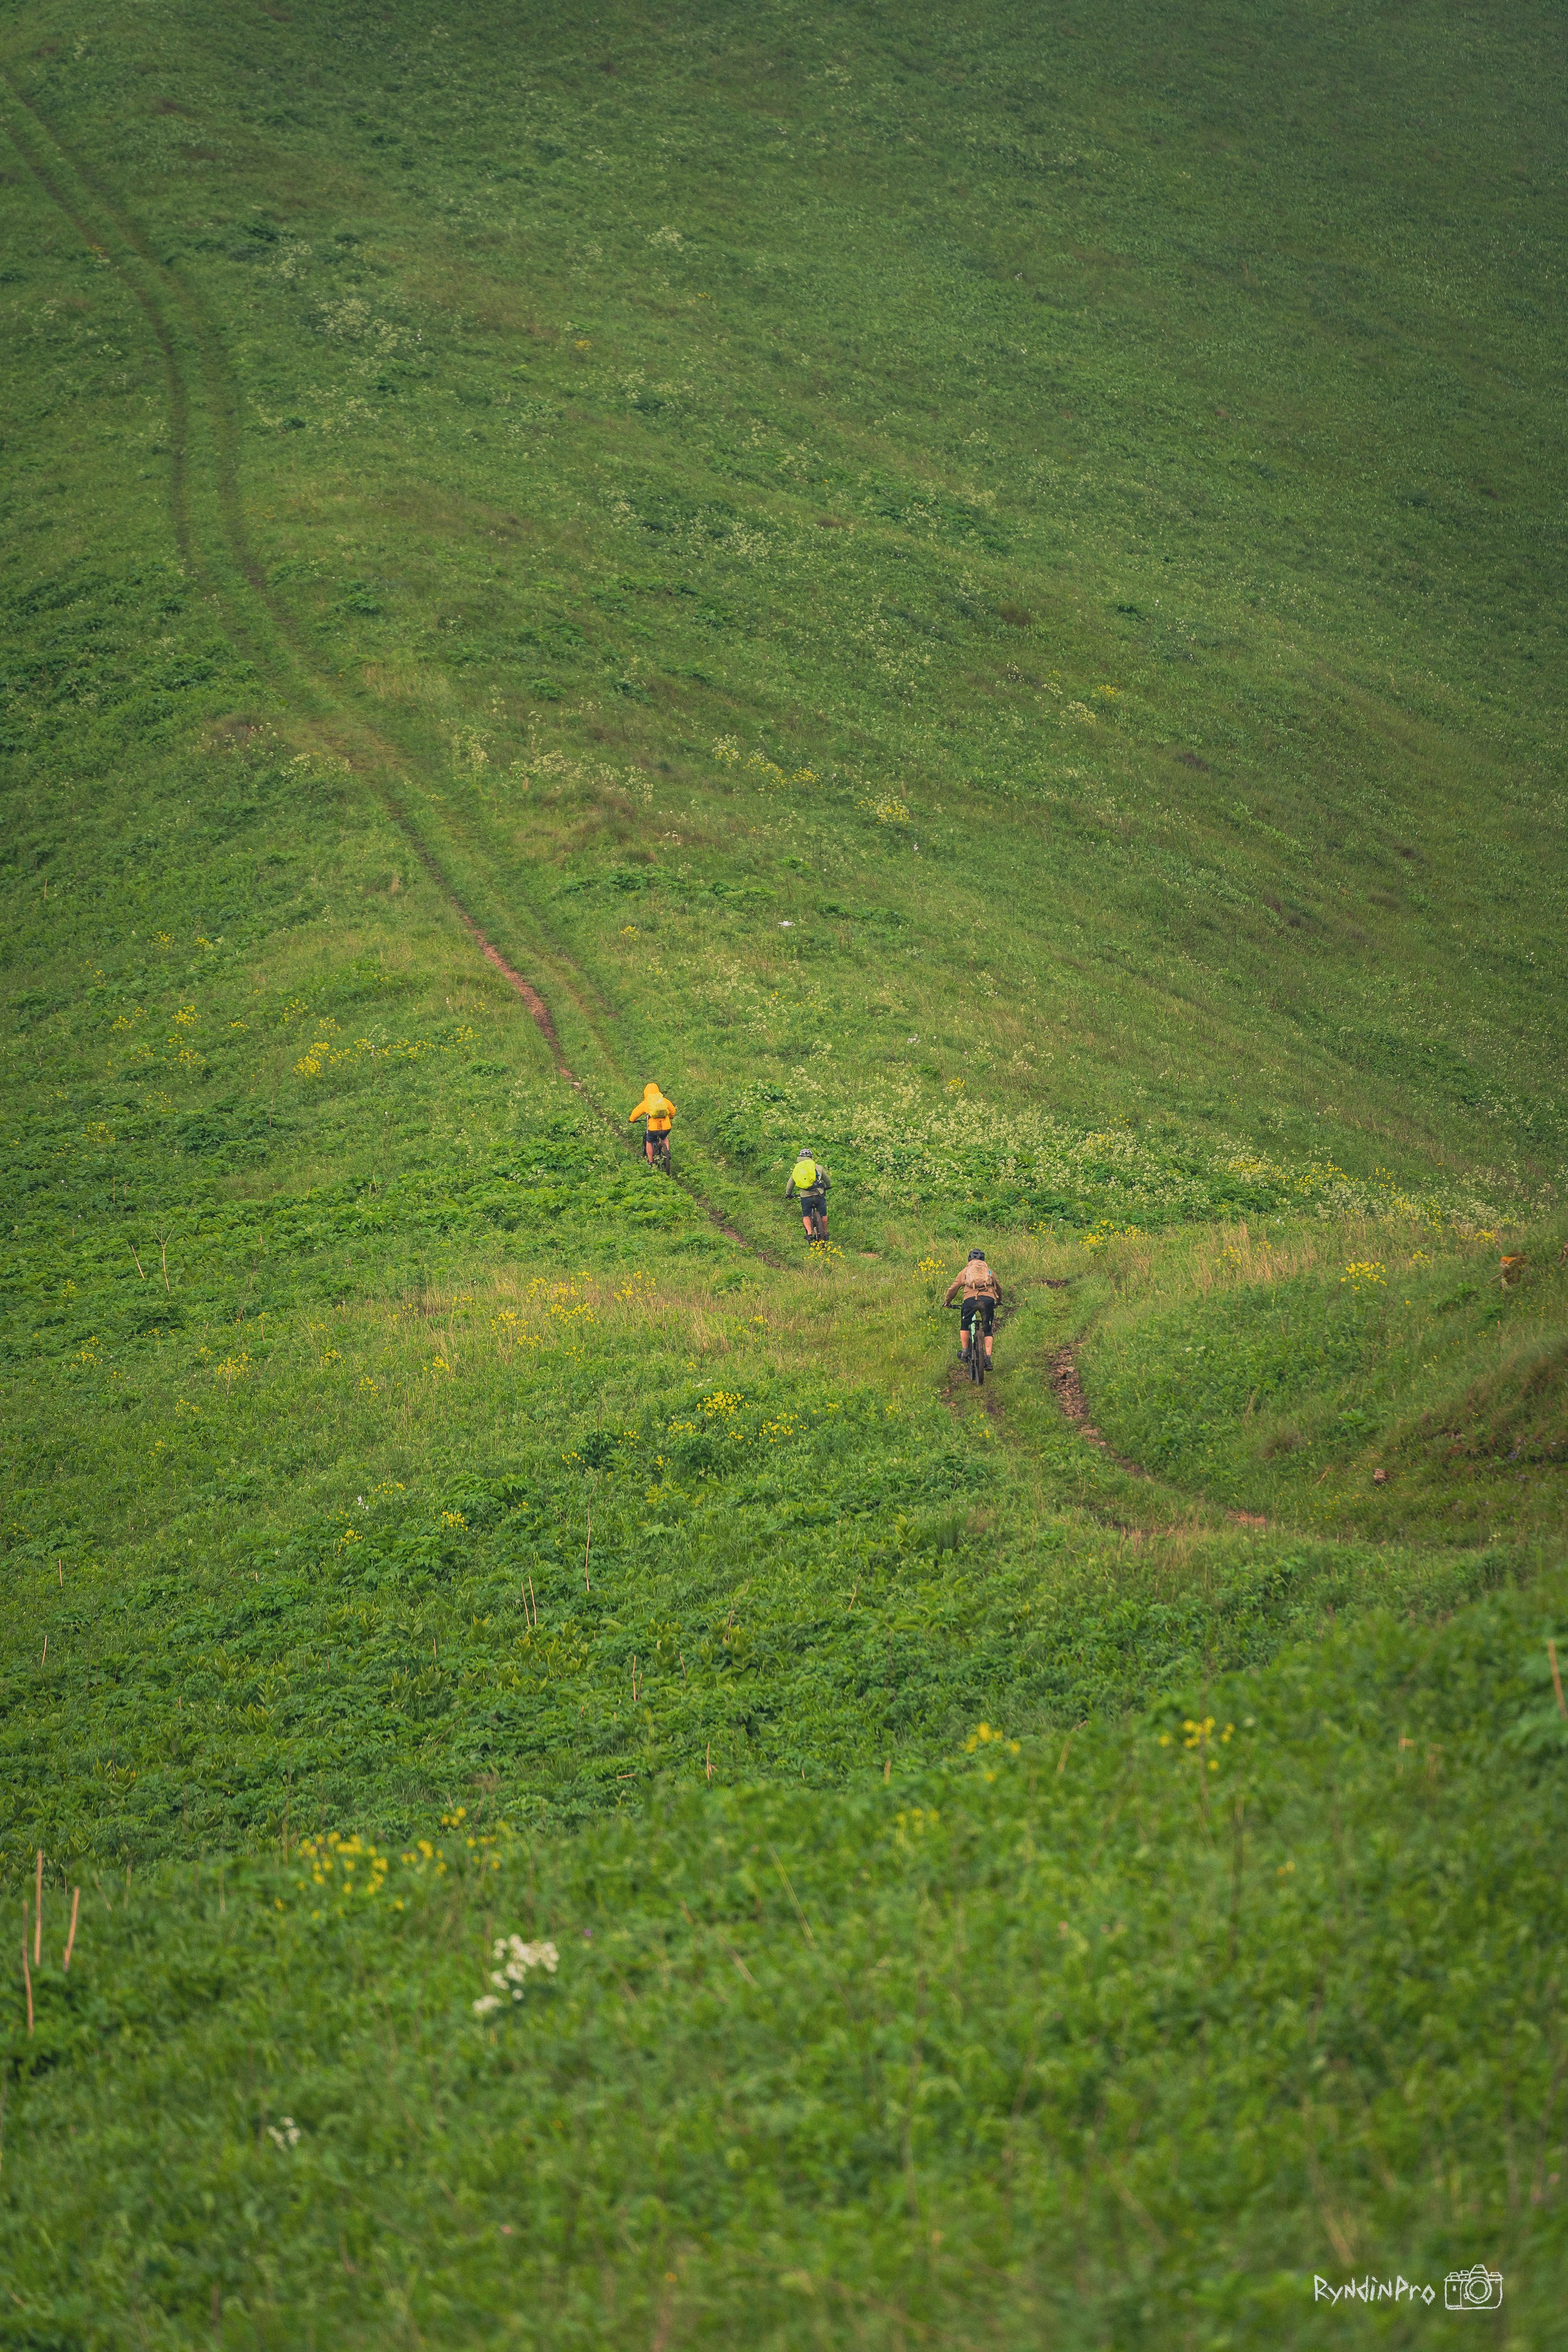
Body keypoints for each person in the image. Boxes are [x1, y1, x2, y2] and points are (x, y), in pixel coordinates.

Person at [944, 1248, 1001, 1369]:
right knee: (988, 1329)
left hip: (970, 1301)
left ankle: (965, 1353)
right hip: (988, 1301)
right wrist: (998, 1301)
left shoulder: (966, 1271)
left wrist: (947, 1302)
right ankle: (988, 1360)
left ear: (970, 1259)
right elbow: (998, 1288)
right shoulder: (989, 1272)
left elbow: (953, 1288)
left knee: (965, 1324)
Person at [785, 1147, 830, 1241]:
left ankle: (809, 1234)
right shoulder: (817, 1167)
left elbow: (790, 1184)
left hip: (805, 1196)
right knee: (823, 1215)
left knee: (806, 1215)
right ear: (811, 1158)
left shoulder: (798, 1169)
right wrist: (828, 1186)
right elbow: (827, 1180)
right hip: (819, 1194)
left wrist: (788, 1194)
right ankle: (825, 1233)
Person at [629, 1082, 676, 1167]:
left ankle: (651, 1162)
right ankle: (667, 1152)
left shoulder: (646, 1103)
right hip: (666, 1127)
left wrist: (632, 1120)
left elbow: (636, 1112)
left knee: (649, 1141)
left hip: (653, 1129)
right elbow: (673, 1111)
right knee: (664, 1138)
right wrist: (671, 1117)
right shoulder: (664, 1101)